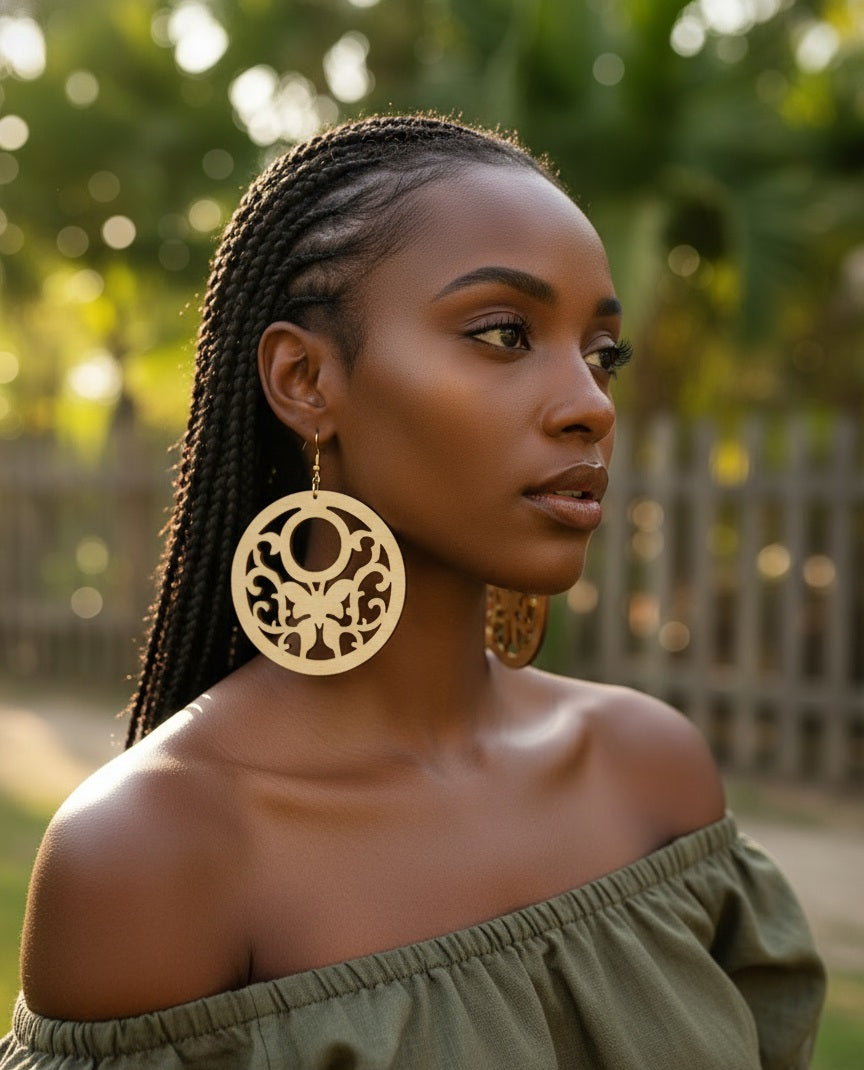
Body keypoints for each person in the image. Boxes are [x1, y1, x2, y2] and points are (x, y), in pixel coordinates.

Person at [1, 114, 823, 1068]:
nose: (591, 404)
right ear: (306, 380)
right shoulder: (154, 857)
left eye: (603, 353)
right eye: (505, 334)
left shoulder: (652, 772)